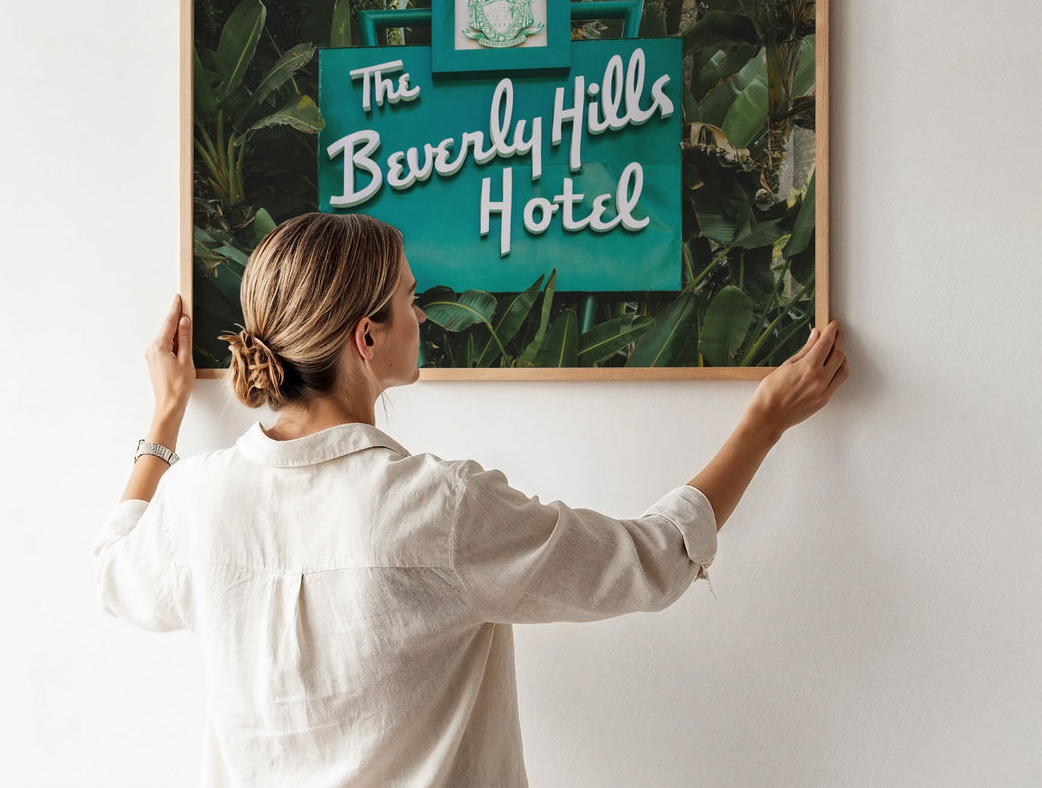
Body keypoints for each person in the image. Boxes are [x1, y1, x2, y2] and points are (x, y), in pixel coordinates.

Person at [94, 212, 848, 788]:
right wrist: (763, 421)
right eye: (410, 298)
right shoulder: (435, 506)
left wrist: (162, 422)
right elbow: (650, 562)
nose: (421, 316)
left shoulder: (196, 499)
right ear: (366, 336)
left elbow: (116, 574)